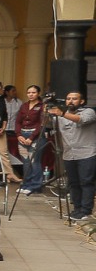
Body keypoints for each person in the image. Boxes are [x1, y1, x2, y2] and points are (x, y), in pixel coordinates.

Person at [44, 90, 96, 219]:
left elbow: (81, 120)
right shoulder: (59, 116)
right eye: (68, 99)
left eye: (74, 99)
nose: (70, 101)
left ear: (81, 101)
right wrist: (46, 112)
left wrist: (61, 113)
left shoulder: (89, 112)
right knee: (73, 183)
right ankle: (76, 209)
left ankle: (86, 211)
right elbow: (47, 125)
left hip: (86, 153)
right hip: (68, 154)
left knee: (86, 182)